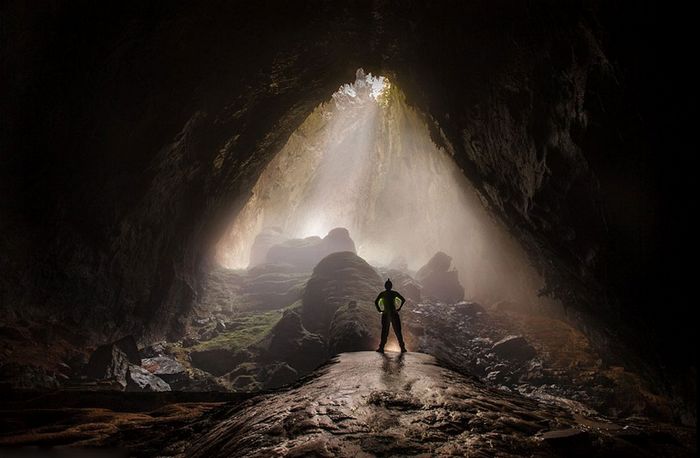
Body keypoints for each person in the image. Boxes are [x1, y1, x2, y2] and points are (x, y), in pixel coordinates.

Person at [374, 278, 407, 353]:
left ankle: (381, 348)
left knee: (384, 332)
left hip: (385, 314)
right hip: (394, 314)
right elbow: (403, 299)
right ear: (391, 286)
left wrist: (379, 310)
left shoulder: (382, 294)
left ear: (385, 286)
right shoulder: (394, 293)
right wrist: (399, 308)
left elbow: (376, 302)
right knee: (398, 331)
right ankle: (402, 348)